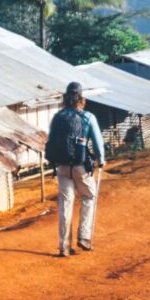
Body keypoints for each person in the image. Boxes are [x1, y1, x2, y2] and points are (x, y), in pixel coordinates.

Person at [44, 82, 105, 257]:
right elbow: (98, 143)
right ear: (81, 99)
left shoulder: (57, 117)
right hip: (80, 166)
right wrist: (101, 160)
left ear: (65, 98)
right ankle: (84, 237)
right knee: (89, 196)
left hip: (62, 166)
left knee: (65, 204)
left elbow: (52, 140)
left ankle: (64, 246)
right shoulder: (88, 117)